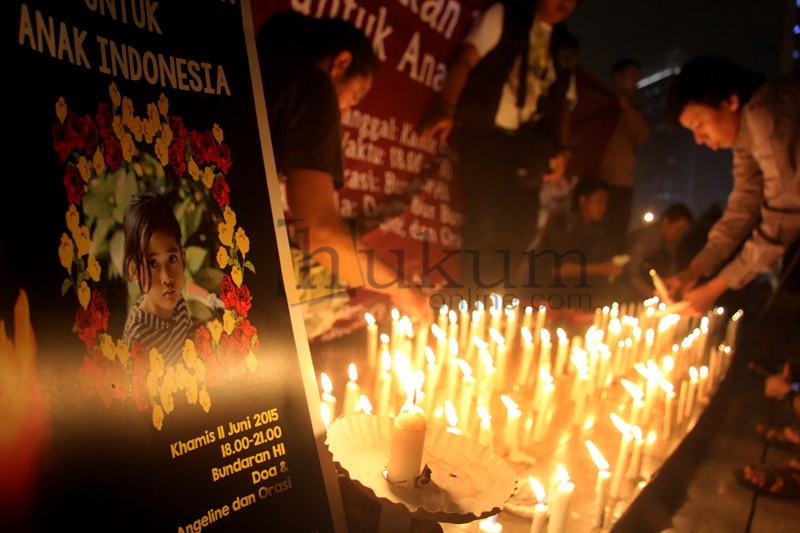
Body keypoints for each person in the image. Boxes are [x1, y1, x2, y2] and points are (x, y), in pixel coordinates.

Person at [256, 12, 430, 336]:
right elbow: (319, 234)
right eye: (355, 96)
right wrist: (404, 290)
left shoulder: (257, 70)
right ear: (341, 63)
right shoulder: (311, 85)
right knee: (324, 292)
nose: (346, 111)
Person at [420, 0, 580, 292]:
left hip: (531, 145)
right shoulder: (506, 15)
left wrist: (563, 150)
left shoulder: (566, 43)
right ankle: (471, 298)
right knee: (483, 219)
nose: (565, 3)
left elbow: (565, 102)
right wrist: (446, 106)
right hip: (487, 133)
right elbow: (466, 58)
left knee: (522, 224)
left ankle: (496, 297)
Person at [663, 56, 800, 316]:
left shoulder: (765, 115)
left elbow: (783, 218)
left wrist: (714, 288)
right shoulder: (746, 133)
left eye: (700, 124)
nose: (700, 139)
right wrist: (694, 271)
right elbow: (743, 205)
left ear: (730, 102)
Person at [522, 177, 624, 303]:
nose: (603, 208)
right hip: (545, 294)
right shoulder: (563, 222)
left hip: (575, 296)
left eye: (605, 203)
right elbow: (557, 268)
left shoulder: (597, 225)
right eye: (599, 202)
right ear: (582, 200)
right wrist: (602, 268)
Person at [122, 192, 191, 366]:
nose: (167, 277)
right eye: (152, 264)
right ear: (135, 271)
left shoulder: (180, 307)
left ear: (183, 258)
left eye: (172, 259)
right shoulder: (137, 339)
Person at [595, 58, 651, 252]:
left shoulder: (633, 112)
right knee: (594, 234)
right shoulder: (599, 103)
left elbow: (643, 136)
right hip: (596, 180)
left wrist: (626, 107)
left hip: (622, 184)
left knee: (615, 235)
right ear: (618, 77)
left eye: (638, 78)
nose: (635, 83)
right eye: (632, 76)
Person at [623, 204, 693, 299]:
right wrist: (655, 294)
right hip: (630, 294)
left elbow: (671, 271)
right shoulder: (645, 239)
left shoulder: (671, 244)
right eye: (678, 230)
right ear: (666, 221)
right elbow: (632, 274)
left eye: (682, 232)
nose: (679, 235)